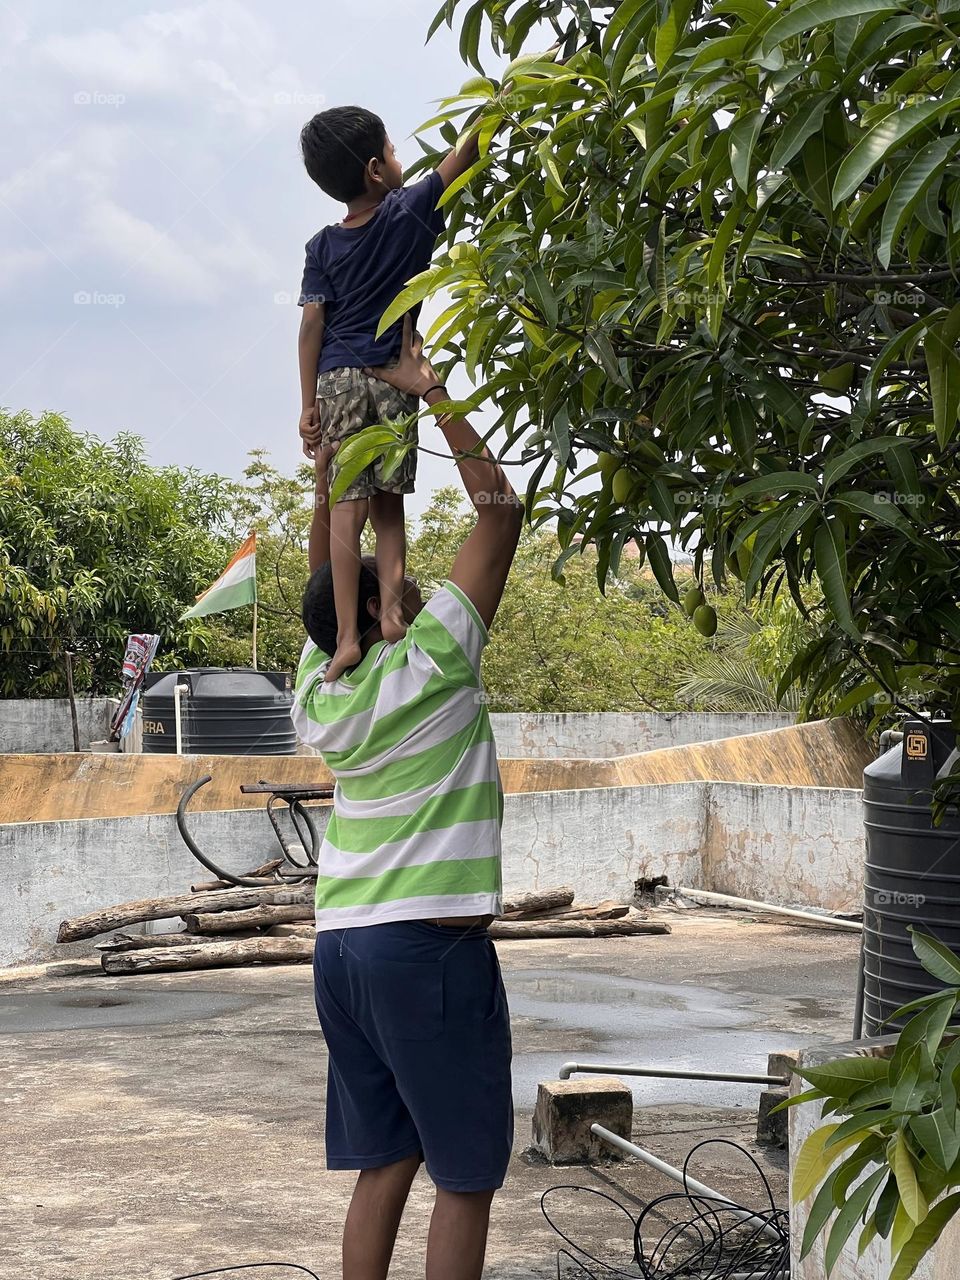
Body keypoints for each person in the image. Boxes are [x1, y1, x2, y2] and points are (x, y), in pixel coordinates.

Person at [291, 316, 523, 1280]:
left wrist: (332, 459)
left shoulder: (319, 689)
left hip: (340, 945)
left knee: (384, 1157)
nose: (405, 582)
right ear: (394, 616)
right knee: (465, 1175)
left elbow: (323, 569)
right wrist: (427, 390)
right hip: (425, 945)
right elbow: (499, 511)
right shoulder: (433, 661)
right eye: (399, 585)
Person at [296, 105, 480, 683]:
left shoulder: (322, 245)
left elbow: (310, 327)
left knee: (345, 512)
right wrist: (504, 100)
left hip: (338, 381)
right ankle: (396, 615)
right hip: (396, 374)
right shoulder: (408, 214)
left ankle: (348, 637)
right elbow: (463, 158)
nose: (403, 161)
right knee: (390, 508)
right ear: (377, 170)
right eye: (395, 151)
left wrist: (307, 405)